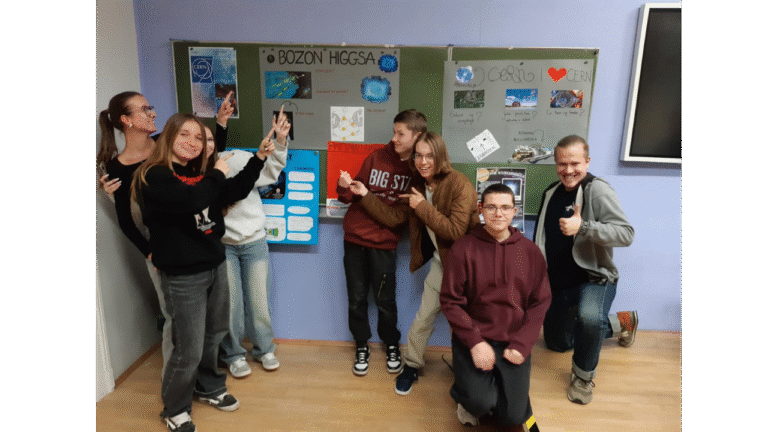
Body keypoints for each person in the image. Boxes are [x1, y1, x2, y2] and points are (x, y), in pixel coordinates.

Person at [131, 112, 275, 432]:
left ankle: (209, 386)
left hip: (214, 265)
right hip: (182, 276)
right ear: (169, 136)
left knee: (214, 333)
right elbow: (191, 201)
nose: (193, 142)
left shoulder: (198, 175)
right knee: (188, 347)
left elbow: (232, 192)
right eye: (185, 134)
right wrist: (217, 173)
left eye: (199, 137)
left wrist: (258, 159)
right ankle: (175, 408)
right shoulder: (155, 175)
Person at [97, 91, 235, 379]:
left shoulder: (166, 142)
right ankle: (177, 381)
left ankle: (205, 374)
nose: (153, 113)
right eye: (145, 109)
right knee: (176, 319)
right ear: (126, 120)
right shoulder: (116, 168)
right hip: (164, 252)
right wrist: (150, 252)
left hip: (198, 244)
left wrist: (221, 123)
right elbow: (127, 220)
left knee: (211, 315)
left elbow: (208, 156)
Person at [347, 131, 479, 395]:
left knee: (462, 325)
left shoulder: (459, 184)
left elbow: (455, 231)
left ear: (441, 156)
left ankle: (467, 377)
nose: (423, 161)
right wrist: (365, 194)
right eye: (418, 155)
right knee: (423, 319)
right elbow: (394, 218)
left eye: (430, 156)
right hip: (442, 265)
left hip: (468, 269)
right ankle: (412, 365)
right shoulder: (418, 185)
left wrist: (422, 207)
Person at [533, 134, 636, 405]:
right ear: (556, 164)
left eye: (575, 163)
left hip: (594, 279)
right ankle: (623, 322)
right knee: (556, 343)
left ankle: (582, 377)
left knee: (589, 318)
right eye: (562, 164)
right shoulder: (550, 192)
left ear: (587, 162)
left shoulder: (597, 189)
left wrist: (584, 227)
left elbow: (626, 234)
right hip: (559, 284)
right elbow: (541, 239)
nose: (568, 170)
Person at [440, 183, 549, 431]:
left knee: (512, 418)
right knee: (479, 403)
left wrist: (522, 344)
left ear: (514, 211)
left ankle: (503, 390)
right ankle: (464, 397)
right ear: (480, 209)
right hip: (475, 339)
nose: (498, 213)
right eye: (491, 207)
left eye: (505, 207)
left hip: (513, 342)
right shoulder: (463, 248)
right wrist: (475, 342)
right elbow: (450, 301)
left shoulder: (531, 252)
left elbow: (540, 302)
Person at [336, 109, 427, 376]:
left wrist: (366, 196)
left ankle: (391, 345)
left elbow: (396, 220)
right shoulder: (376, 157)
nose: (394, 138)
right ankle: (361, 345)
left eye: (401, 134)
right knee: (356, 298)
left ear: (417, 136)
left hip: (384, 245)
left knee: (385, 300)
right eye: (394, 132)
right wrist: (343, 186)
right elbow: (351, 194)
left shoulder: (418, 171)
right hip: (354, 239)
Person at [215, 108, 291, 378]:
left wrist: (281, 140)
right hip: (223, 245)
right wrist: (220, 123)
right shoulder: (204, 171)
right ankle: (233, 355)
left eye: (210, 139)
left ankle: (264, 349)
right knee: (231, 305)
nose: (205, 144)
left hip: (254, 241)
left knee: (259, 302)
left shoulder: (245, 159)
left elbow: (272, 170)